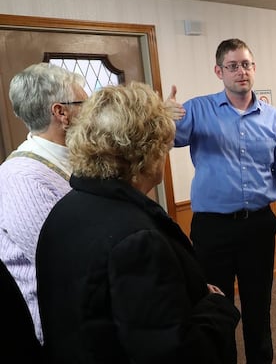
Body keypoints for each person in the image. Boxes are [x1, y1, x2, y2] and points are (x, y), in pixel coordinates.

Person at [36, 82, 240, 363]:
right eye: (165, 146)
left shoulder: (65, 210)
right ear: (147, 153)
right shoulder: (138, 240)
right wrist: (217, 307)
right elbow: (173, 353)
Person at [170, 38, 276, 364]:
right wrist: (163, 117)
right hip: (212, 228)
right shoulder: (198, 110)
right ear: (219, 72)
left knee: (259, 303)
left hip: (258, 225)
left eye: (246, 64)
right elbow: (168, 139)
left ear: (253, 68)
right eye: (232, 66)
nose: (241, 71)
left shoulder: (273, 119)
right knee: (216, 305)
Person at [0, 63, 87, 352]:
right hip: (60, 329)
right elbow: (64, 262)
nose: (90, 111)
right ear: (61, 112)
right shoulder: (21, 178)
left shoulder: (74, 157)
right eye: (83, 103)